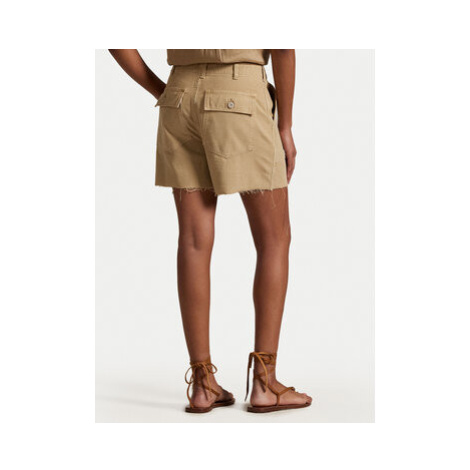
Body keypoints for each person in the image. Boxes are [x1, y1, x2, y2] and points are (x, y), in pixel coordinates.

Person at [109, 49, 312, 413]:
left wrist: (162, 90)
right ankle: (265, 383)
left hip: (179, 98)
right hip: (240, 97)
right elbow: (282, 47)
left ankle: (203, 385)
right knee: (274, 239)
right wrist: (285, 126)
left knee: (193, 242)